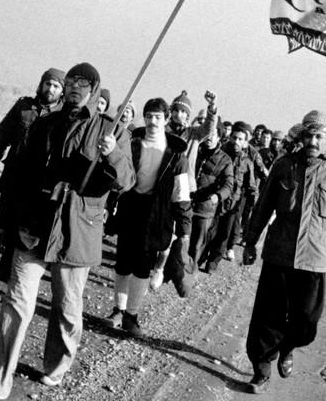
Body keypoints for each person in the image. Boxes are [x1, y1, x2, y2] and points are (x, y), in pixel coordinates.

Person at [0, 62, 135, 401]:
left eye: (82, 82)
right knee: (16, 304)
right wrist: (6, 222)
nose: (74, 87)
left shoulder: (111, 129)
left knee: (67, 306)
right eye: (71, 81)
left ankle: (57, 365)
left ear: (93, 89)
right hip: (34, 226)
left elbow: (126, 181)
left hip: (77, 230)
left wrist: (113, 154)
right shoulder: (45, 124)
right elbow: (18, 176)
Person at [241, 109, 326, 394]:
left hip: (315, 259)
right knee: (268, 317)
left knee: (306, 320)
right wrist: (250, 241)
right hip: (279, 253)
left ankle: (288, 346)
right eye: (309, 135)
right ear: (302, 137)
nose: (313, 141)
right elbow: (263, 205)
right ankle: (262, 369)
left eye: (319, 136)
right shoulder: (284, 165)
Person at [103, 98, 190, 337]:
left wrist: (184, 229)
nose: (153, 121)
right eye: (149, 116)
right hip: (130, 208)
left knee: (142, 267)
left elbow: (181, 194)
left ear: (166, 119)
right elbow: (117, 177)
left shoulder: (176, 155)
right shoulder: (132, 144)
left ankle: (132, 316)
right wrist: (110, 208)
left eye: (158, 117)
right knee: (122, 263)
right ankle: (117, 310)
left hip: (157, 215)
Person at [0, 67, 66, 301]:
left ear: (62, 91)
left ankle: (2, 278)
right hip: (13, 176)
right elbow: (2, 135)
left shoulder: (63, 115)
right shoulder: (24, 107)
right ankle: (9, 268)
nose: (50, 89)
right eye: (48, 84)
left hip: (38, 184)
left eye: (56, 86)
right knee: (5, 225)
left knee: (22, 227)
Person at [201, 121, 256, 273]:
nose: (236, 142)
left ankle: (212, 263)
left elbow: (251, 186)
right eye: (234, 138)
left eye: (240, 139)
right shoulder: (220, 154)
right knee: (209, 231)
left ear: (245, 142)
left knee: (224, 235)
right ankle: (200, 257)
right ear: (229, 137)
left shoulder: (247, 162)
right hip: (215, 200)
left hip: (234, 205)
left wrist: (251, 208)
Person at [188, 121, 234, 265]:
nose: (209, 137)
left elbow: (228, 184)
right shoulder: (194, 150)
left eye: (213, 135)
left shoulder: (225, 160)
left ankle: (189, 273)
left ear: (219, 137)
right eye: (207, 134)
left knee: (196, 245)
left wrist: (217, 196)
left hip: (205, 209)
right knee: (180, 238)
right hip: (186, 203)